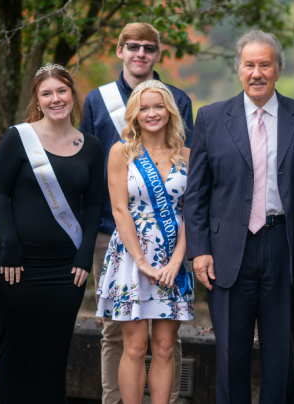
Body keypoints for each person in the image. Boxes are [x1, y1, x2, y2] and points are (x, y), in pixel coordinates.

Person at [184, 29, 294, 403]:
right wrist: (198, 251)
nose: (257, 72)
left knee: (281, 356)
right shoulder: (211, 117)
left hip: (283, 247)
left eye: (265, 64)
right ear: (239, 70)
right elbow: (195, 193)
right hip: (227, 250)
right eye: (249, 65)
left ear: (278, 70)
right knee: (230, 356)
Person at [79, 22, 193, 404]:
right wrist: (141, 261)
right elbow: (115, 202)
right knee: (126, 341)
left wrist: (179, 258)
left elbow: (193, 206)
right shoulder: (102, 112)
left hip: (174, 252)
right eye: (133, 47)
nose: (152, 113)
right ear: (120, 50)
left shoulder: (186, 144)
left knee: (165, 345)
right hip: (125, 247)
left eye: (159, 107)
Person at [0, 63, 104, 403]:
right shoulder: (18, 137)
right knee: (16, 358)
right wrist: (10, 247)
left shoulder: (91, 146)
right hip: (15, 266)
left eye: (61, 91)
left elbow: (94, 206)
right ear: (38, 100)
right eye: (47, 93)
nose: (56, 99)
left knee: (53, 360)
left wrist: (84, 257)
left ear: (72, 94)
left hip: (66, 272)